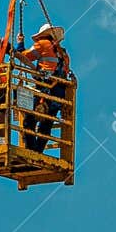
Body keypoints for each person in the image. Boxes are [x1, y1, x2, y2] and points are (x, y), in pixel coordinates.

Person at [19, 23, 71, 152]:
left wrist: (20, 44)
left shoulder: (43, 44)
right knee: (46, 123)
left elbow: (24, 56)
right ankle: (38, 151)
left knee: (29, 121)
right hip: (58, 94)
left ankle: (31, 151)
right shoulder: (63, 53)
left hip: (44, 89)